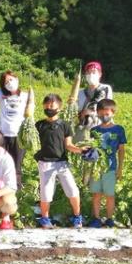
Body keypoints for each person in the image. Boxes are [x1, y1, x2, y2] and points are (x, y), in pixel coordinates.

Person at [34, 94, 89, 229]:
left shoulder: (65, 125)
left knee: (72, 190)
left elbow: (68, 145)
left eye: (52, 106)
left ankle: (77, 217)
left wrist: (81, 150)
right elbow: (32, 143)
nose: (48, 108)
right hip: (45, 163)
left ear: (59, 108)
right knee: (46, 192)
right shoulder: (38, 125)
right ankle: (45, 218)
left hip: (62, 163)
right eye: (46, 105)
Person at [88, 99, 126, 228]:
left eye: (107, 113)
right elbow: (90, 150)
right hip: (96, 168)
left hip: (111, 167)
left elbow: (121, 150)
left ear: (113, 113)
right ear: (97, 113)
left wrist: (120, 168)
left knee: (110, 195)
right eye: (101, 113)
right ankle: (96, 218)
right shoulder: (94, 130)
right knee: (96, 194)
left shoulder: (119, 129)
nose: (104, 116)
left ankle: (110, 218)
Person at [77, 61, 113, 133]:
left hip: (103, 126)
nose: (91, 75)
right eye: (88, 72)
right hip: (85, 128)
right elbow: (77, 111)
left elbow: (109, 109)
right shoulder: (80, 93)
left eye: (94, 72)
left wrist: (91, 112)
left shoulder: (105, 88)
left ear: (100, 74)